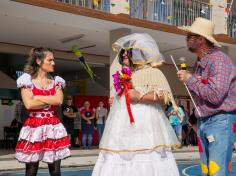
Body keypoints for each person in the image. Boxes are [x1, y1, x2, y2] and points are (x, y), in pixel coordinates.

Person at [92, 33, 180, 176]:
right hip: (122, 125)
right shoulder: (123, 74)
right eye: (124, 51)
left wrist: (139, 96)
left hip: (146, 123)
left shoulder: (153, 72)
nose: (125, 53)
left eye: (129, 50)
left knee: (146, 156)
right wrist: (117, 100)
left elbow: (165, 97)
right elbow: (127, 96)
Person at [177, 17, 236, 176]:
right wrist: (191, 81)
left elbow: (216, 95)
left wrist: (190, 79)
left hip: (220, 121)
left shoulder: (219, 61)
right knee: (207, 171)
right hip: (206, 121)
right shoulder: (201, 62)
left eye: (190, 36)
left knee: (217, 171)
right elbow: (204, 91)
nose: (186, 39)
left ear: (201, 39)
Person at [15, 47, 70, 176]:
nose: (53, 63)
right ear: (39, 61)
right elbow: (29, 104)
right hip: (33, 128)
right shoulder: (26, 81)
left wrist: (38, 97)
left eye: (54, 60)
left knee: (55, 171)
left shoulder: (57, 81)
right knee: (31, 171)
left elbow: (59, 101)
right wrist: (50, 100)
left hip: (53, 127)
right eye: (50, 60)